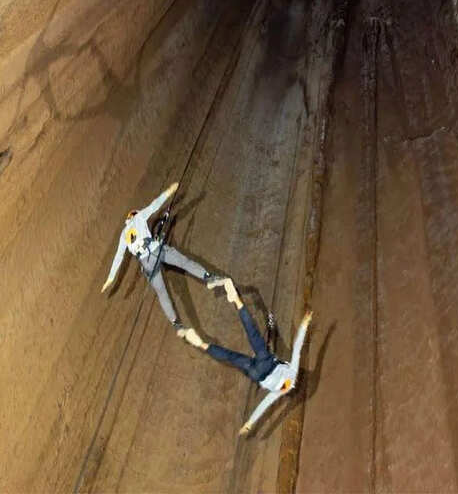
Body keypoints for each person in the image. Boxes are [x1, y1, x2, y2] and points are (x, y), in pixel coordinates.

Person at [188, 277, 312, 435]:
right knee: (231, 357)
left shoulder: (293, 372)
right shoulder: (280, 392)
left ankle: (237, 302)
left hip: (266, 360)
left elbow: (297, 348)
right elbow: (263, 406)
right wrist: (249, 423)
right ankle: (202, 344)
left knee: (252, 331)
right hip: (257, 374)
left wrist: (305, 324)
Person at [101, 183, 213, 343]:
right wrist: (169, 191)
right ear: (135, 215)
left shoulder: (123, 235)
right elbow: (155, 204)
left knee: (162, 293)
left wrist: (110, 278)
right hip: (156, 250)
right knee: (184, 262)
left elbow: (118, 257)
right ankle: (208, 277)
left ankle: (176, 324)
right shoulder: (139, 217)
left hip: (146, 264)